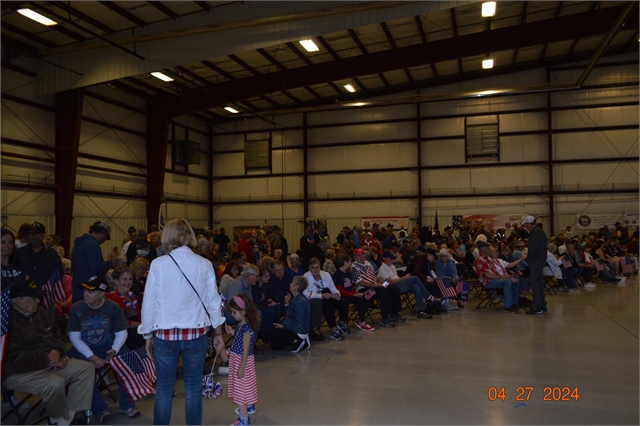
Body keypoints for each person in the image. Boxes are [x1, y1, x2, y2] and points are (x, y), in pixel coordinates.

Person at [138, 218, 226, 426]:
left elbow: (148, 303)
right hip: (195, 335)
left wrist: (147, 335)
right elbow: (213, 302)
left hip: (164, 335)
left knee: (164, 389)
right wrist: (219, 334)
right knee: (194, 388)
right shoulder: (204, 264)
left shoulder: (158, 265)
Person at [3, 280, 95, 426]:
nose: (38, 301)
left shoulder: (39, 312)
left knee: (86, 368)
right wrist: (48, 359)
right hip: (18, 372)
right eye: (33, 298)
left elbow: (57, 335)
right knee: (55, 384)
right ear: (19, 301)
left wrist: (57, 351)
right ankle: (57, 418)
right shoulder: (6, 322)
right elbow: (13, 359)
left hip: (50, 362)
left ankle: (65, 419)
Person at [66, 275, 139, 423]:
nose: (86, 294)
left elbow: (121, 332)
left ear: (102, 293)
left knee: (130, 362)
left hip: (108, 346)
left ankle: (127, 405)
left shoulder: (112, 307)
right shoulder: (76, 308)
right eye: (85, 290)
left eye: (91, 292)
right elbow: (74, 338)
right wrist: (90, 356)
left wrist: (114, 350)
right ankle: (99, 409)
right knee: (82, 371)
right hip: (83, 349)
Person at [225, 295, 260, 426]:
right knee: (246, 385)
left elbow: (245, 349)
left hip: (242, 361)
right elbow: (238, 339)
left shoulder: (246, 329)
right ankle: (250, 406)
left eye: (234, 312)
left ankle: (243, 419)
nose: (232, 315)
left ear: (243, 312)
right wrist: (232, 332)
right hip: (238, 359)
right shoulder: (241, 325)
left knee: (241, 388)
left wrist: (241, 367)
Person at [350, 248, 403, 328]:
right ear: (355, 257)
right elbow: (360, 282)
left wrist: (380, 281)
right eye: (358, 256)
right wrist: (376, 285)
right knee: (383, 290)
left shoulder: (368, 263)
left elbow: (375, 275)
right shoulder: (354, 267)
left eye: (362, 254)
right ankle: (385, 317)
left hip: (376, 285)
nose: (361, 257)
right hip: (365, 290)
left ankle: (394, 312)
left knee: (393, 288)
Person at [378, 251, 436, 319]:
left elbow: (395, 278)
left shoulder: (392, 266)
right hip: (393, 287)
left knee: (416, 287)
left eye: (393, 259)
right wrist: (404, 278)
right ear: (385, 258)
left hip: (399, 283)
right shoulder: (382, 268)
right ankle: (429, 297)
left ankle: (421, 311)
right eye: (391, 259)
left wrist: (403, 279)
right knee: (415, 278)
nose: (393, 260)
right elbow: (389, 282)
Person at [303, 258, 349, 341]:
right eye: (313, 268)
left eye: (317, 267)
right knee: (328, 304)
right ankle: (333, 329)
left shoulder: (326, 274)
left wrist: (336, 293)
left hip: (328, 296)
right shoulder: (305, 277)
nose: (315, 270)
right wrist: (321, 296)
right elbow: (306, 294)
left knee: (343, 302)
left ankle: (341, 323)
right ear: (309, 268)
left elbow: (333, 288)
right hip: (316, 300)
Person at [473, 242, 522, 313]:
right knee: (507, 282)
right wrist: (501, 277)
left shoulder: (488, 259)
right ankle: (507, 306)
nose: (489, 249)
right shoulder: (479, 260)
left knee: (516, 279)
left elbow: (494, 272)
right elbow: (487, 275)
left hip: (494, 279)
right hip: (487, 281)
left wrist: (505, 276)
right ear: (482, 249)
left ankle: (514, 303)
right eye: (487, 248)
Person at [71, 221, 114, 303]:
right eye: (105, 237)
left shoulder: (79, 244)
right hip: (89, 290)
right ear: (102, 233)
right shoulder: (92, 245)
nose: (104, 240)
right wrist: (110, 263)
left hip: (78, 287)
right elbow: (96, 267)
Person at [268, 276, 311, 352]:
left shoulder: (299, 302)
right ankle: (295, 340)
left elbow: (298, 322)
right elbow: (292, 314)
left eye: (292, 283)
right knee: (275, 346)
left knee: (271, 333)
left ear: (296, 287)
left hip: (298, 330)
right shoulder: (297, 299)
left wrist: (284, 326)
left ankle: (299, 340)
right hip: (297, 329)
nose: (290, 284)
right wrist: (287, 303)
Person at [332, 254, 374, 331]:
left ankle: (362, 320)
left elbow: (351, 286)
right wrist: (354, 294)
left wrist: (356, 293)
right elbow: (340, 290)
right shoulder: (337, 274)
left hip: (350, 294)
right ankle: (361, 321)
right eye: (350, 261)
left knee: (365, 296)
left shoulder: (348, 273)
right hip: (343, 295)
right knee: (358, 299)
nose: (351, 263)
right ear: (345, 263)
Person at [105, 267, 145, 349]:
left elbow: (138, 317)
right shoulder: (111, 297)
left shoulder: (131, 296)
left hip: (135, 332)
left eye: (130, 279)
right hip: (121, 335)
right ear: (116, 281)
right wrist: (142, 324)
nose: (128, 282)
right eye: (124, 279)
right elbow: (120, 323)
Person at [520, 216, 547, 315]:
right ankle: (542, 304)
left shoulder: (535, 232)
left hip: (536, 261)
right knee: (539, 283)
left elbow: (533, 247)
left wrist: (529, 258)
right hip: (540, 260)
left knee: (534, 283)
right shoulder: (540, 231)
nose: (526, 227)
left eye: (526, 224)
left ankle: (537, 306)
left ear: (529, 223)